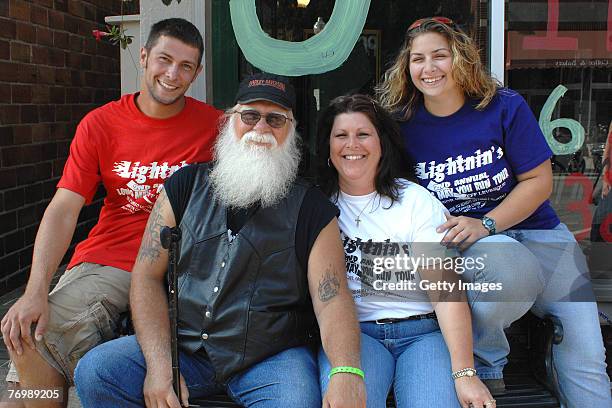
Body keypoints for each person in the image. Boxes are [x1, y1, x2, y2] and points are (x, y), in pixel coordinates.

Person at [74, 72, 366, 408]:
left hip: (271, 357)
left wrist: (347, 370)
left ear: (291, 129)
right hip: (182, 348)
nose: (261, 128)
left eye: (275, 119)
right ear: (230, 120)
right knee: (97, 371)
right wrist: (160, 365)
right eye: (250, 116)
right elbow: (146, 276)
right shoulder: (184, 185)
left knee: (295, 402)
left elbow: (332, 298)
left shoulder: (313, 208)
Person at [377, 17, 612, 406]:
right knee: (505, 269)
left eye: (440, 55)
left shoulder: (501, 106)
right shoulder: (402, 122)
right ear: (407, 67)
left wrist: (487, 223)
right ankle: (485, 362)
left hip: (537, 234)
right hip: (462, 244)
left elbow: (538, 182)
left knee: (587, 353)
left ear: (462, 58)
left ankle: (534, 363)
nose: (428, 68)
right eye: (417, 59)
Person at [0, 18, 221, 407]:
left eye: (186, 66)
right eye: (164, 60)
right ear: (144, 55)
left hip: (185, 266)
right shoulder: (101, 124)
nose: (173, 74)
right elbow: (63, 209)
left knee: (26, 389)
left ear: (197, 72)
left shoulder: (215, 128)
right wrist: (35, 290)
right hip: (112, 260)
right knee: (29, 331)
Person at [315, 94, 494, 408]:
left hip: (421, 332)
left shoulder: (414, 201)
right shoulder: (317, 206)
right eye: (341, 135)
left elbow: (445, 289)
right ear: (328, 149)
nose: (352, 144)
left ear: (381, 144)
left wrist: (465, 372)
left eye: (363, 134)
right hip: (356, 335)